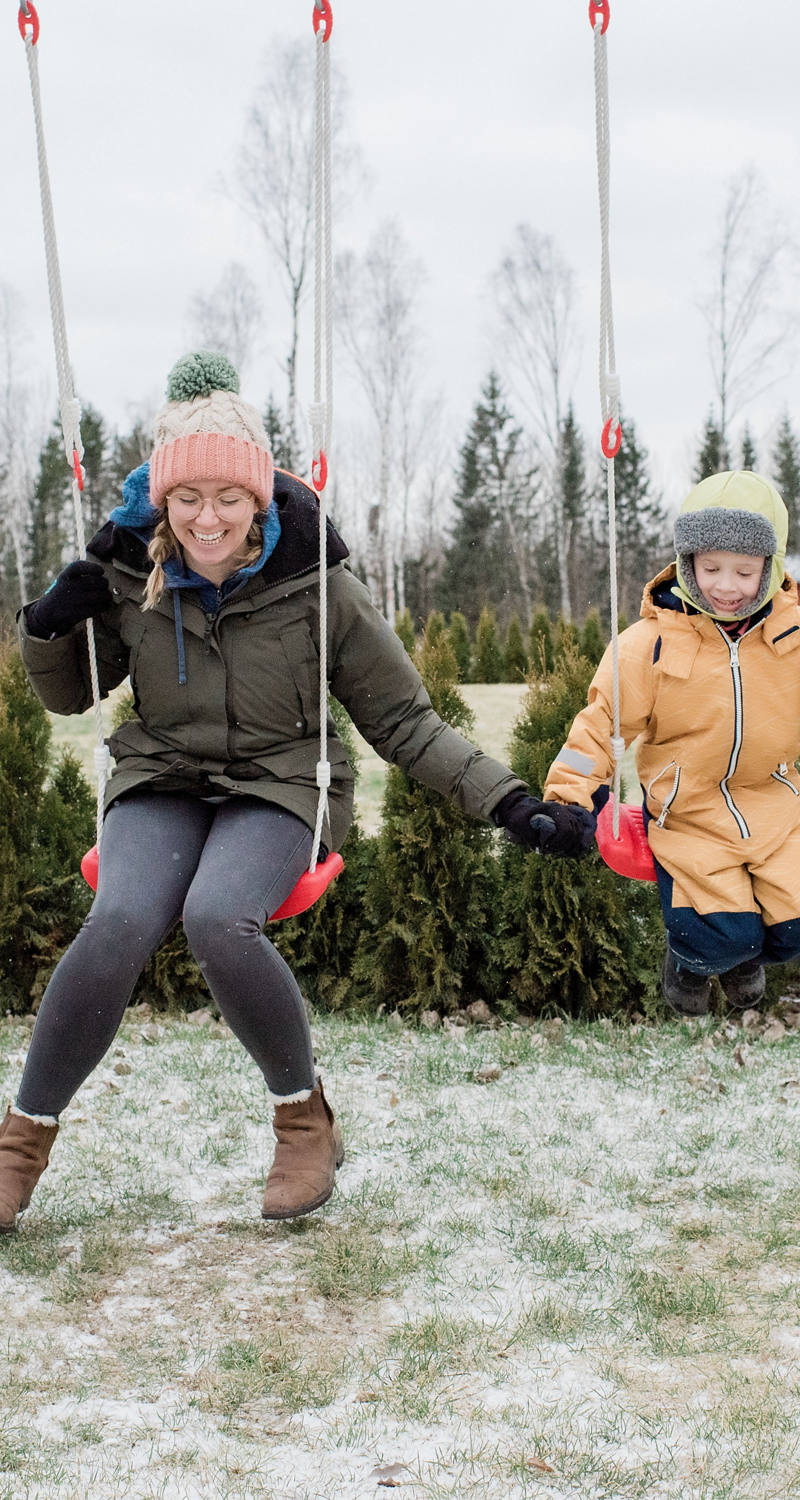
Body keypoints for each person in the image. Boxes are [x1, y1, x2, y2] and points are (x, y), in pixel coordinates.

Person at [0, 350, 595, 1234]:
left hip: (284, 783)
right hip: (161, 776)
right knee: (120, 919)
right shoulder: (132, 573)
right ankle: (20, 1144)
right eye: (187, 499)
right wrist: (52, 621)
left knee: (217, 917)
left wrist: (509, 803)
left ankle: (303, 1118)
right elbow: (69, 695)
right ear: (162, 501)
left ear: (259, 497)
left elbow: (404, 721)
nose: (208, 518)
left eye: (228, 498)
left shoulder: (317, 583)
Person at [539, 468, 800, 1016]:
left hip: (778, 805)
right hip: (689, 813)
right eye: (710, 568)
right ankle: (696, 960)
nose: (725, 585)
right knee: (715, 932)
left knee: (794, 926)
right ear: (687, 564)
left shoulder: (793, 637)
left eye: (745, 571)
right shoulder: (650, 644)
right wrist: (571, 797)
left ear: (772, 569)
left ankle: (747, 953)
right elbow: (599, 722)